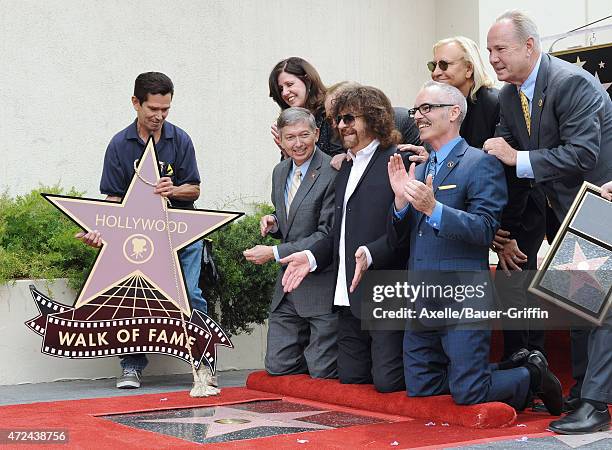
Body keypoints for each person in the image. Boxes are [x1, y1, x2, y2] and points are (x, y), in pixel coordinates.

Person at [387, 80, 562, 413]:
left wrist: (433, 208)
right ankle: (514, 371)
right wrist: (398, 204)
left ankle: (532, 376)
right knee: (421, 387)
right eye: (415, 110)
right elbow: (402, 237)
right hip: (421, 292)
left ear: (454, 113)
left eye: (427, 108)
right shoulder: (419, 168)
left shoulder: (479, 163)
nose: (418, 117)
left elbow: (484, 230)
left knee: (469, 391)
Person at [485, 10, 612, 433]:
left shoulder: (571, 82)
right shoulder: (509, 94)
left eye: (500, 49)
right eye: (489, 50)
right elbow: (502, 152)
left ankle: (594, 405)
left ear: (529, 46)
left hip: (600, 205)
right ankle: (583, 392)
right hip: (566, 212)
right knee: (577, 306)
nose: (493, 59)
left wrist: (516, 157)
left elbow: (582, 155)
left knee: (599, 312)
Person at [77, 72, 207, 389]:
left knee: (190, 296)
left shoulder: (181, 139)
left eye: (165, 109)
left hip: (181, 235)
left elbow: (195, 190)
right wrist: (101, 234)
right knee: (134, 299)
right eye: (153, 109)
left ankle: (203, 365)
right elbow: (112, 200)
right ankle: (132, 366)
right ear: (136, 103)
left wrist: (174, 190)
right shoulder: (119, 145)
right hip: (137, 238)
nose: (159, 116)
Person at [280, 86, 407, 393]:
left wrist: (371, 253)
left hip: (383, 291)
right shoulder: (345, 166)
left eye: (349, 118)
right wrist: (309, 257)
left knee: (388, 382)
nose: (340, 126)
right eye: (337, 119)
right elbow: (337, 232)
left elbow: (405, 231)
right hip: (346, 295)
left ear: (374, 118)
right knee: (351, 378)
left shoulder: (396, 160)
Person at [243, 107, 338, 378]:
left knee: (323, 372)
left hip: (319, 284)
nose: (298, 144)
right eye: (290, 137)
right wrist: (274, 221)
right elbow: (293, 218)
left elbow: (325, 233)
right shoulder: (280, 171)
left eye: (304, 135)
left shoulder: (332, 170)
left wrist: (274, 252)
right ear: (280, 141)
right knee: (277, 366)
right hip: (288, 288)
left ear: (317, 134)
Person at [325, 81, 423, 170]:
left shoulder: (404, 121)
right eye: (334, 118)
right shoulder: (344, 160)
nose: (337, 125)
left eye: (348, 118)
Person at [269, 57, 343, 158]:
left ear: (308, 80)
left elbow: (338, 161)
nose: (284, 93)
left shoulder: (330, 112)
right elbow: (291, 171)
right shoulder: (288, 121)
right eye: (281, 89)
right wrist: (287, 154)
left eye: (289, 84)